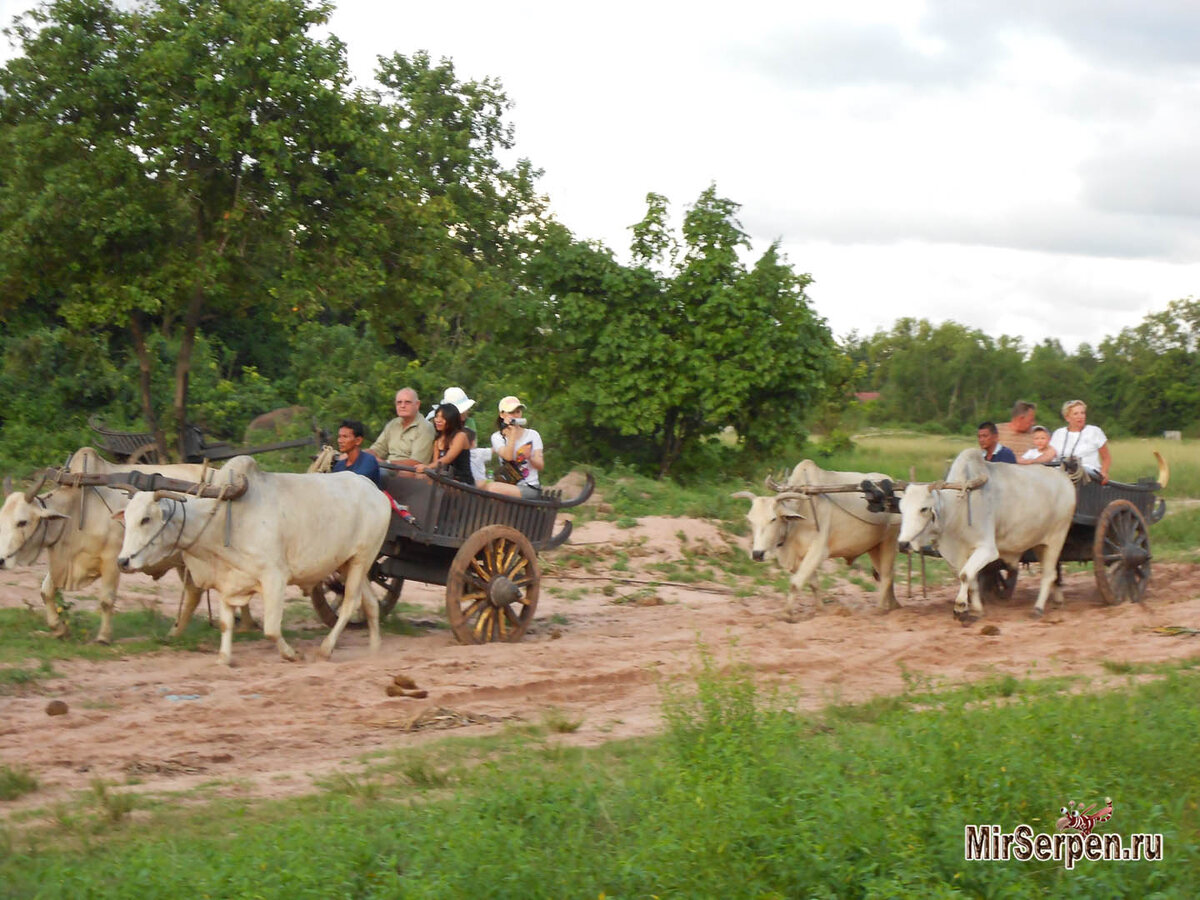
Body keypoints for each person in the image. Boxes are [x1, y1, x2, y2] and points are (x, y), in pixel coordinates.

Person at [485, 395, 544, 499]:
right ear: (502, 414)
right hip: (508, 484)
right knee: (484, 486)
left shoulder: (533, 435)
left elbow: (540, 465)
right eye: (511, 412)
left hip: (529, 487)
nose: (516, 415)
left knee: (493, 488)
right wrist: (512, 433)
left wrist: (530, 457)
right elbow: (508, 456)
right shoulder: (497, 437)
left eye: (518, 412)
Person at [366, 387, 435, 468]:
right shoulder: (392, 424)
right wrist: (360, 455)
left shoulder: (425, 428)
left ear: (417, 404)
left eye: (407, 402)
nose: (402, 406)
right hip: (386, 469)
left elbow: (417, 462)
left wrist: (386, 463)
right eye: (399, 402)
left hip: (409, 474)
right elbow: (378, 449)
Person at [1050, 399, 1111, 482]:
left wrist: (1104, 472)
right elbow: (1050, 455)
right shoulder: (1058, 433)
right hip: (1062, 475)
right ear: (1067, 417)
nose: (1080, 416)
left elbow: (1106, 458)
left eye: (1082, 413)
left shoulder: (1094, 431)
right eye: (1076, 414)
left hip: (1088, 476)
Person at [415, 402, 474, 485]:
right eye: (437, 417)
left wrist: (427, 467)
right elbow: (437, 465)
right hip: (445, 479)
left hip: (461, 482)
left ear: (452, 420)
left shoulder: (461, 436)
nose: (438, 420)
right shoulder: (437, 441)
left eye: (443, 417)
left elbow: (448, 458)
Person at [330, 419, 382, 487]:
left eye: (345, 437)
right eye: (339, 436)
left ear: (358, 440)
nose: (340, 441)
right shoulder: (339, 466)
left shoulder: (369, 461)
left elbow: (357, 484)